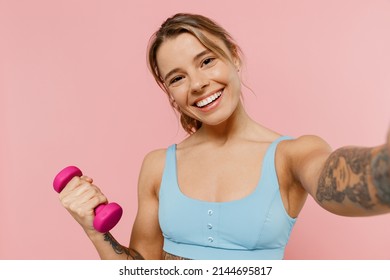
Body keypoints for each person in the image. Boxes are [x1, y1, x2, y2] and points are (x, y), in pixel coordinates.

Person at [58, 13, 390, 260]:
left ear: (234, 56)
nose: (198, 83)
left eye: (206, 61)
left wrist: (384, 167)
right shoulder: (158, 165)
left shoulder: (292, 155)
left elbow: (353, 183)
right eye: (177, 78)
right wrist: (94, 229)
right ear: (170, 94)